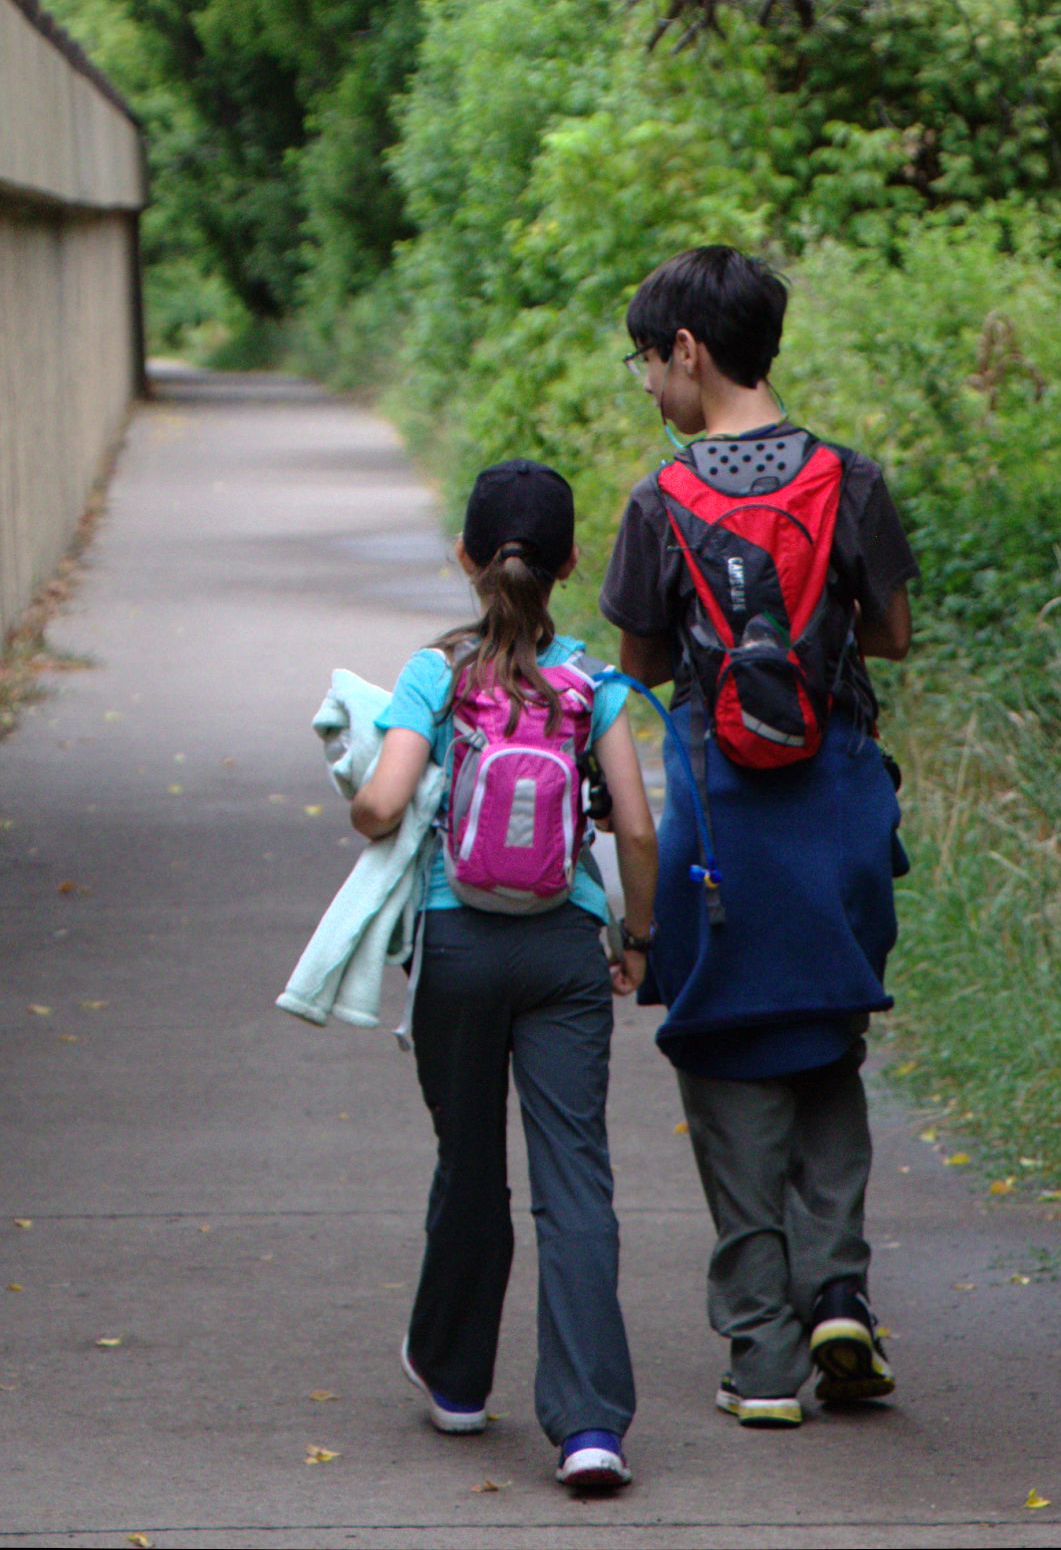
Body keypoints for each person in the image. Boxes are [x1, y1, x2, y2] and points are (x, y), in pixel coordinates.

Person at [599, 246, 919, 1430]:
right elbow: (889, 635)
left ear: (687, 350)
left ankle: (762, 1355)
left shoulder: (658, 499)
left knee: (725, 1050)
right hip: (834, 805)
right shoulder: (852, 477)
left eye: (648, 358)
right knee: (827, 1035)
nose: (647, 384)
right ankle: (836, 1283)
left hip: (718, 823)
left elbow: (635, 664)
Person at [349, 458, 659, 1492]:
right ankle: (588, 1427)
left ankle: (456, 1379)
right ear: (571, 562)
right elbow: (638, 824)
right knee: (575, 1178)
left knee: (470, 1154)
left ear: (465, 557)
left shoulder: (435, 673)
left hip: (461, 944)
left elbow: (383, 804)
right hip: (565, 947)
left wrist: (368, 783)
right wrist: (636, 939)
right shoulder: (594, 683)